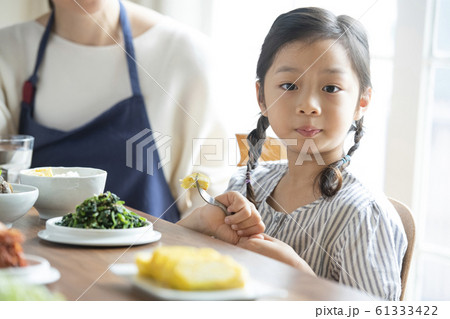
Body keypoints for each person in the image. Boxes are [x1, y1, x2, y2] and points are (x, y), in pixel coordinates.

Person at [182, 7, 407, 301]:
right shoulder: (245, 186)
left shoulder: (363, 217)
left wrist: (299, 277)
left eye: (330, 88)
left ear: (361, 101)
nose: (308, 105)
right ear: (262, 97)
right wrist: (200, 221)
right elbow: (168, 272)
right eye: (289, 86)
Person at [0, 0, 231, 222]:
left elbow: (212, 205)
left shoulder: (186, 54)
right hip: (34, 259)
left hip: (152, 259)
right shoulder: (7, 51)